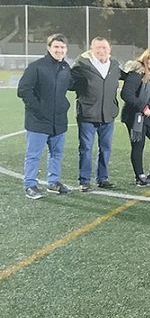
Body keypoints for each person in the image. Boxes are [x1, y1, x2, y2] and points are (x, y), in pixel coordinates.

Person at [18, 34, 72, 199]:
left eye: (62, 47)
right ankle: (30, 185)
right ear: (49, 48)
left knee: (56, 153)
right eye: (56, 47)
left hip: (59, 120)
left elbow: (71, 86)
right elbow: (23, 90)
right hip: (38, 120)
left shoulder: (66, 68)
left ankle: (53, 182)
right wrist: (39, 109)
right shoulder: (36, 67)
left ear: (66, 49)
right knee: (33, 154)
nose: (59, 50)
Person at [71, 37, 123, 191]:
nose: (101, 51)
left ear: (110, 49)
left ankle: (102, 178)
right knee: (86, 148)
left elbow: (129, 76)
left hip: (108, 115)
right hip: (87, 115)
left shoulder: (114, 65)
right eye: (98, 48)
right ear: (91, 50)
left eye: (104, 48)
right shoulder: (82, 65)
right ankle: (84, 180)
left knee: (105, 148)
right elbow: (69, 81)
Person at [121, 48, 150, 186]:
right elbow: (126, 94)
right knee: (138, 146)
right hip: (136, 118)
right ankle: (139, 176)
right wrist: (142, 107)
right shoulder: (137, 74)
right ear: (145, 59)